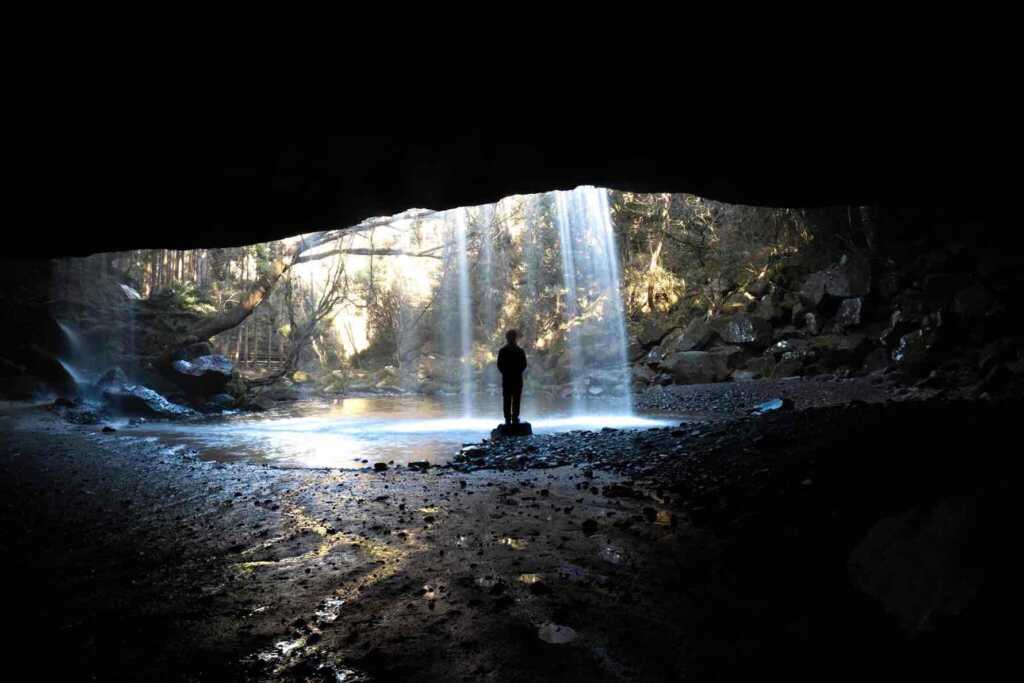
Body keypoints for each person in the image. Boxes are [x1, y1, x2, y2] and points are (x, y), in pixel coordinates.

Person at [496, 329, 527, 425]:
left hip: (507, 378)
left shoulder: (503, 351)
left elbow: (499, 365)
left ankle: (507, 419)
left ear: (507, 338)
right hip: (517, 378)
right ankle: (515, 417)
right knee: (516, 398)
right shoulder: (520, 351)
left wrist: (506, 373)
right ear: (515, 338)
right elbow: (524, 365)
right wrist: (517, 372)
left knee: (507, 399)